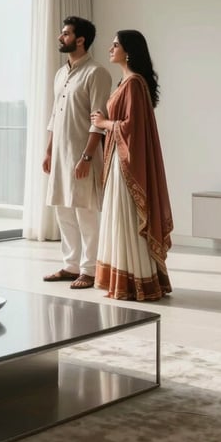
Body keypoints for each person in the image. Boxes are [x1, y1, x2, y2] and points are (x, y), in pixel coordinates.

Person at [90, 30, 173, 301]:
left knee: (126, 219)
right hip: (118, 159)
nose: (110, 48)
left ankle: (135, 282)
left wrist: (104, 124)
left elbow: (132, 128)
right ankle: (127, 278)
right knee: (121, 220)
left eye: (115, 45)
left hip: (126, 164)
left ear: (129, 51)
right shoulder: (126, 82)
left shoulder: (134, 83)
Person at [42, 16, 112, 289]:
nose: (61, 38)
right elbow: (53, 116)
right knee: (63, 210)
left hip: (83, 155)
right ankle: (71, 265)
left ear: (80, 39)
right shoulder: (61, 74)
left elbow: (100, 119)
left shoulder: (96, 73)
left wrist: (87, 157)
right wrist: (48, 151)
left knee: (86, 212)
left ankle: (90, 269)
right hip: (59, 155)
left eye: (66, 34)